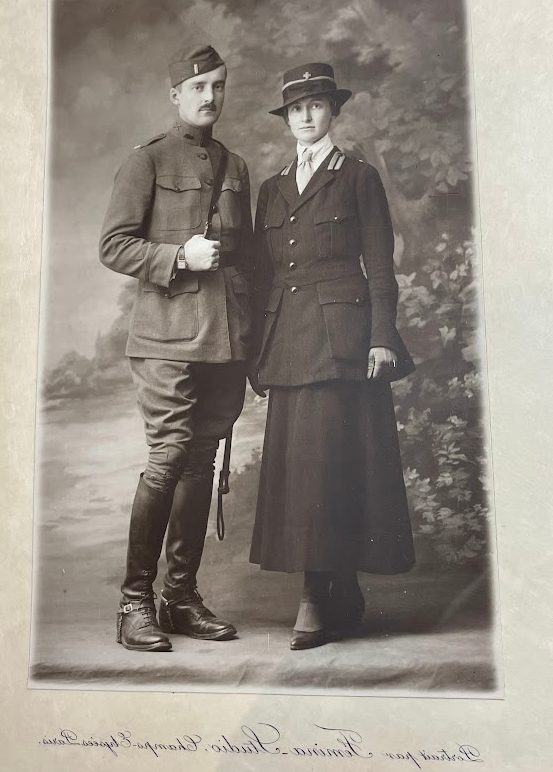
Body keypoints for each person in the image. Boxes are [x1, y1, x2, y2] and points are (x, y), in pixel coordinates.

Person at [249, 62, 416, 650]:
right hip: (288, 342)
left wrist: (380, 337)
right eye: (296, 108)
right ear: (286, 117)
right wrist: (254, 350)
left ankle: (315, 597)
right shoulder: (272, 188)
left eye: (316, 105)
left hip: (344, 343)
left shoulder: (358, 177)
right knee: (304, 472)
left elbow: (380, 264)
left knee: (333, 465)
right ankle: (335, 587)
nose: (305, 116)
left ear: (333, 112)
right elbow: (260, 273)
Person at [99, 43, 253, 652]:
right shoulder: (148, 160)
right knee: (168, 458)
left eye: (218, 86)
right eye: (198, 88)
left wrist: (254, 343)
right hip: (164, 338)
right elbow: (114, 246)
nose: (209, 97)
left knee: (200, 463)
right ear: (175, 95)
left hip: (223, 339)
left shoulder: (235, 165)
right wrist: (177, 256)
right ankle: (134, 601)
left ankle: (179, 598)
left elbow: (248, 261)